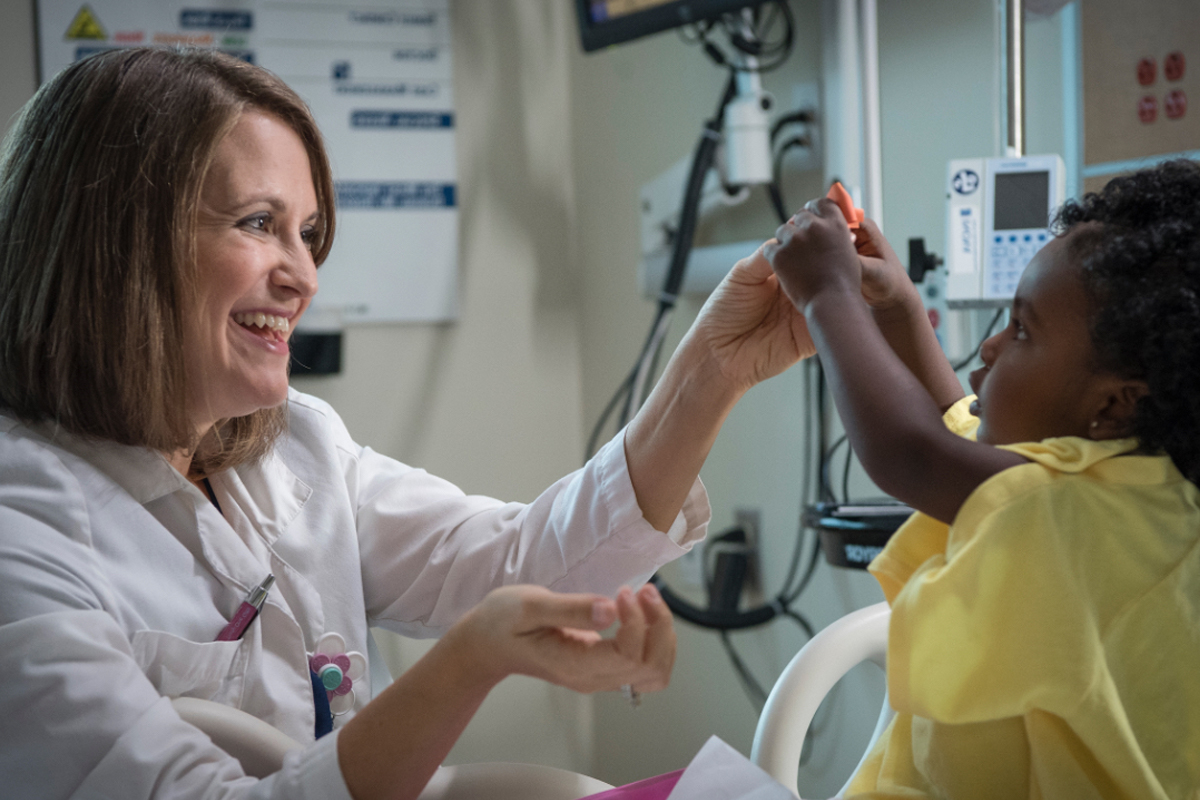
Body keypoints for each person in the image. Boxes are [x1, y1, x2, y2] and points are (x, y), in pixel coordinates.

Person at [0, 48, 816, 800]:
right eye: (258, 223)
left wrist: (714, 370)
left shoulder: (296, 446)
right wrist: (470, 662)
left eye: (310, 235)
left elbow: (526, 568)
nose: (304, 277)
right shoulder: (24, 530)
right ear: (115, 245)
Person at [764, 160, 1200, 797]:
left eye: (1022, 329)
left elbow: (914, 452)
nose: (991, 347)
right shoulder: (1134, 487)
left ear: (1110, 405)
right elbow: (959, 430)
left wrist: (827, 294)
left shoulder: (1082, 520)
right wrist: (899, 304)